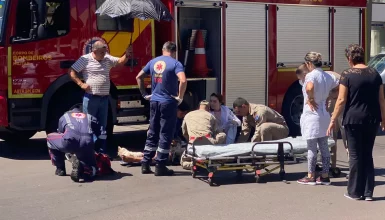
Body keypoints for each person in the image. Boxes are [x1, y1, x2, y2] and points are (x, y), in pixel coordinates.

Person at [327, 44, 385, 201]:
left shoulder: (347, 74)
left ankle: (354, 192)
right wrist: (384, 119)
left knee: (355, 155)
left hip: (353, 119)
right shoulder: (375, 74)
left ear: (350, 58)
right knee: (367, 154)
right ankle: (368, 193)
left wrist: (332, 120)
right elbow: (382, 100)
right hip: (372, 119)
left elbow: (341, 100)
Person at [69, 41, 131, 155]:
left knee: (102, 127)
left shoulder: (107, 58)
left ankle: (102, 152)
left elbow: (119, 62)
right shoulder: (85, 59)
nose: (104, 54)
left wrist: (126, 54)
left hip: (104, 99)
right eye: (101, 52)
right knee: (89, 126)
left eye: (105, 52)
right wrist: (81, 84)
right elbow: (72, 72)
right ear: (94, 51)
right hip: (91, 98)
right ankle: (91, 151)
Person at [136, 41, 187, 176]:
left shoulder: (153, 62)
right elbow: (183, 80)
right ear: (174, 52)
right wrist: (180, 97)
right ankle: (160, 165)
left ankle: (145, 163)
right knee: (165, 133)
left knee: (153, 131)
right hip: (168, 102)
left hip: (154, 101)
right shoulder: (175, 64)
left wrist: (144, 94)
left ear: (163, 49)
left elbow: (139, 76)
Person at [296, 52, 339, 186]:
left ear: (309, 64)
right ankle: (325, 176)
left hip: (312, 115)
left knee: (312, 148)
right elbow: (339, 86)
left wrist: (311, 98)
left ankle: (311, 175)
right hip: (324, 114)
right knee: (324, 147)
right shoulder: (328, 76)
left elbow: (310, 87)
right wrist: (329, 98)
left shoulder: (310, 75)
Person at [47, 108, 104, 182]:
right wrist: (98, 148)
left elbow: (61, 133)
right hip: (87, 142)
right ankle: (83, 166)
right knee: (92, 167)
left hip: (70, 141)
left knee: (50, 138)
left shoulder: (65, 116)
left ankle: (60, 169)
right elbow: (102, 133)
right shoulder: (89, 116)